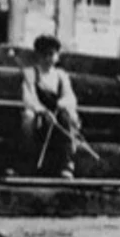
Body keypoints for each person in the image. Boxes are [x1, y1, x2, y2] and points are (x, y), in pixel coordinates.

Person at [21, 35, 81, 178]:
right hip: (39, 112)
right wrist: (42, 110)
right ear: (38, 56)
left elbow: (70, 97)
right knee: (28, 119)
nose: (48, 59)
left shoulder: (61, 75)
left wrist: (62, 103)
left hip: (57, 112)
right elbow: (28, 98)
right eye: (44, 55)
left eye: (51, 54)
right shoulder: (31, 73)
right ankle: (28, 163)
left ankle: (66, 163)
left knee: (66, 119)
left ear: (57, 56)